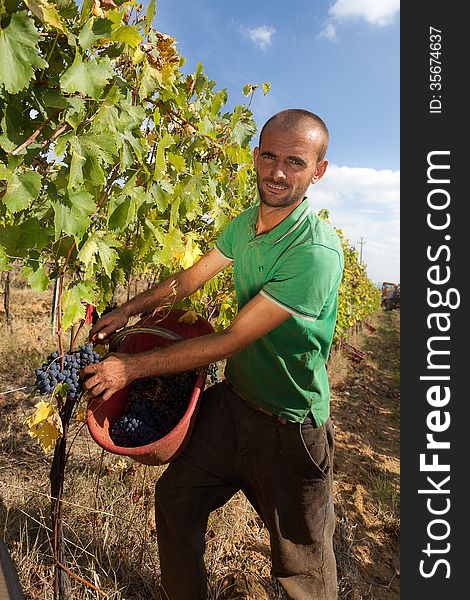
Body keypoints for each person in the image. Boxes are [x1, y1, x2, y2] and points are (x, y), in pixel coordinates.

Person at [83, 109, 344, 600]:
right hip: (235, 404)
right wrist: (128, 312)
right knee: (177, 499)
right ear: (256, 156)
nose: (278, 172)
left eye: (295, 161)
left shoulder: (316, 252)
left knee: (302, 569)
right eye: (269, 156)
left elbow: (228, 341)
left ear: (318, 171)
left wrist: (129, 367)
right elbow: (188, 280)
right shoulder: (245, 224)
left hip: (291, 426)